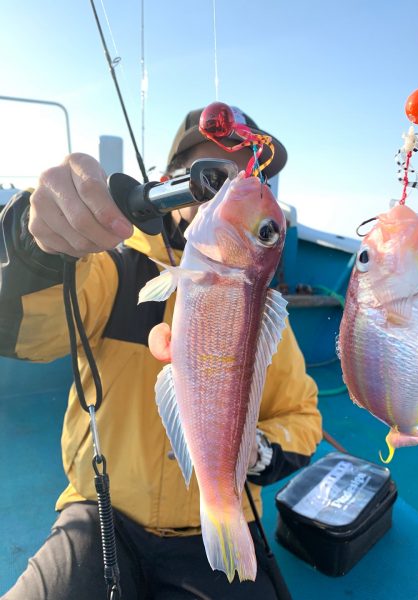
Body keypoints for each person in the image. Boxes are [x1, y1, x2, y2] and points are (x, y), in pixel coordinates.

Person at [0, 106, 322, 600]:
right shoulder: (109, 265)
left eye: (252, 179)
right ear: (170, 181)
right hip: (101, 511)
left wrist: (254, 451)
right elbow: (23, 334)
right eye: (214, 176)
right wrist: (35, 247)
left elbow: (302, 418)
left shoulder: (262, 316)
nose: (236, 187)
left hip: (215, 523)